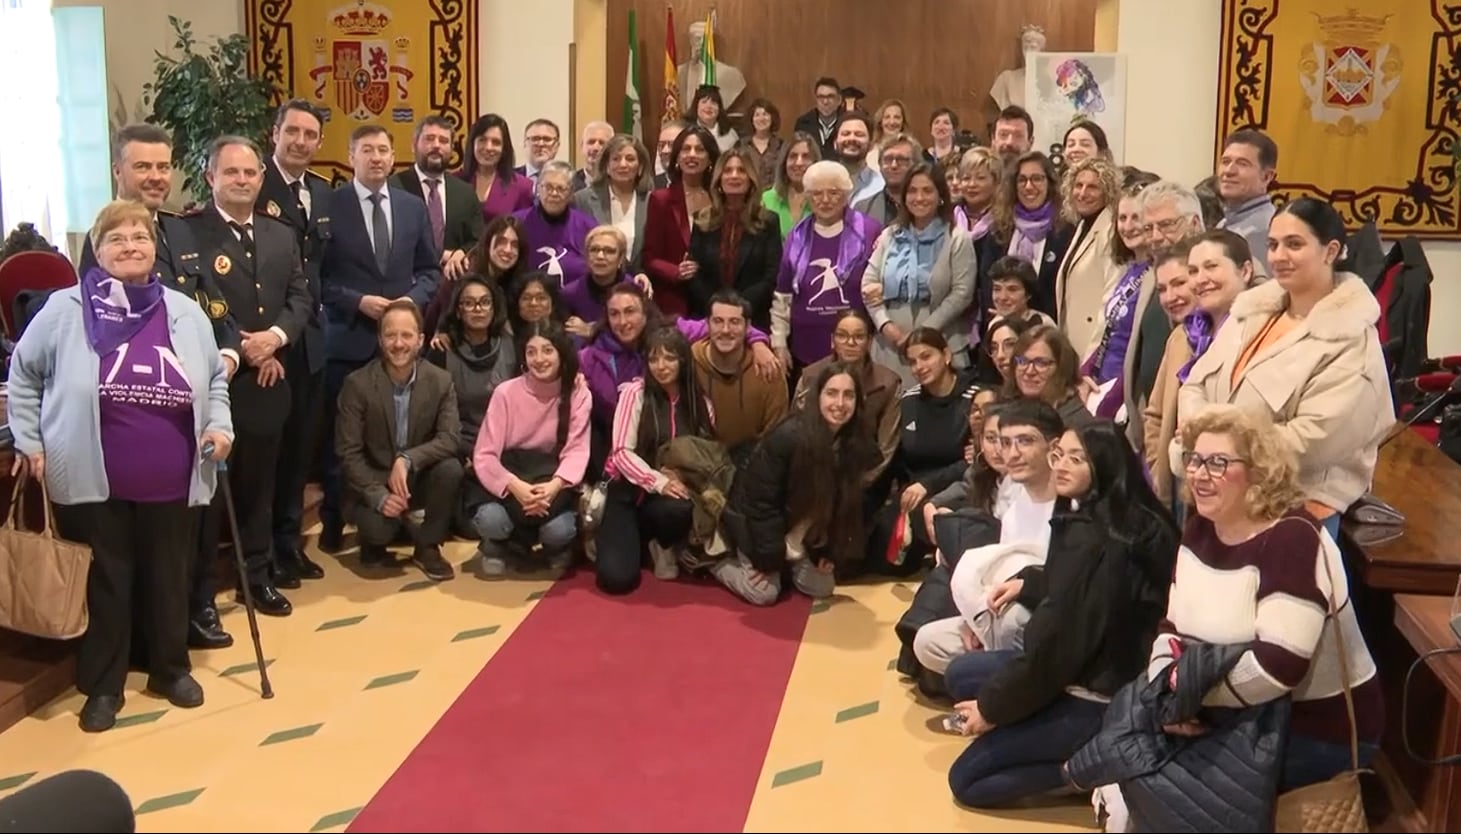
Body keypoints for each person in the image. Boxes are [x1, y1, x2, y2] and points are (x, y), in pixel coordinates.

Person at [8, 199, 234, 732]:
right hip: (90, 475)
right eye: (117, 239)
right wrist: (29, 440)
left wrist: (219, 427)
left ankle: (169, 668)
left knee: (167, 576)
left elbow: (215, 382)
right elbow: (24, 374)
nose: (131, 246)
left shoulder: (184, 310)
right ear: (98, 250)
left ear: (155, 248)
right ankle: (104, 686)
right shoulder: (64, 309)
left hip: (174, 474)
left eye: (140, 236)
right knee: (108, 582)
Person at [945, 421, 1178, 807]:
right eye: (1059, 455)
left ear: (1104, 465)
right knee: (961, 674)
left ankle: (1091, 768)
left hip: (1097, 691)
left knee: (968, 781)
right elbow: (1073, 591)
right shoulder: (1110, 514)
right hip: (1079, 668)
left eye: (1076, 458)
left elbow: (1059, 648)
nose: (1061, 466)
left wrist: (993, 709)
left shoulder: (1103, 539)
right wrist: (1028, 584)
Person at [334, 300, 463, 580]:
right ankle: (376, 538)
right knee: (378, 530)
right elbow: (348, 453)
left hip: (416, 476)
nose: (399, 343)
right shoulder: (357, 384)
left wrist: (407, 460)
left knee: (451, 468)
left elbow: (450, 438)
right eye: (391, 335)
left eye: (406, 335)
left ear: (420, 340)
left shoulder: (440, 381)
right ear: (380, 340)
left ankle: (428, 546)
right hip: (374, 481)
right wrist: (379, 497)